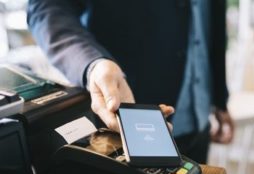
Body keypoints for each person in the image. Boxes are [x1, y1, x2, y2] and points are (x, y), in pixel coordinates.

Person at [27, 0, 234, 164]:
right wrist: (93, 63)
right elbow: (46, 7)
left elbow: (209, 23)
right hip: (129, 125)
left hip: (200, 122)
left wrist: (220, 100)